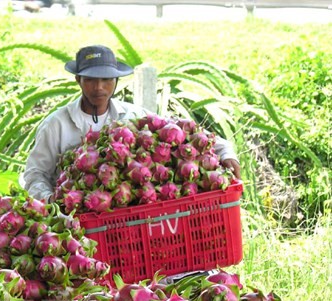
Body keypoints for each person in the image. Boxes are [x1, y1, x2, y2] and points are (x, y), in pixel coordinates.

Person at [20, 44, 241, 203]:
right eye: (90, 80)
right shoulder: (56, 125)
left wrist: (226, 152)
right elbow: (35, 173)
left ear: (116, 81)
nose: (99, 88)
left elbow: (183, 132)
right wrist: (51, 200)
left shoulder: (134, 116)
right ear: (78, 80)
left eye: (107, 80)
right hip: (79, 220)